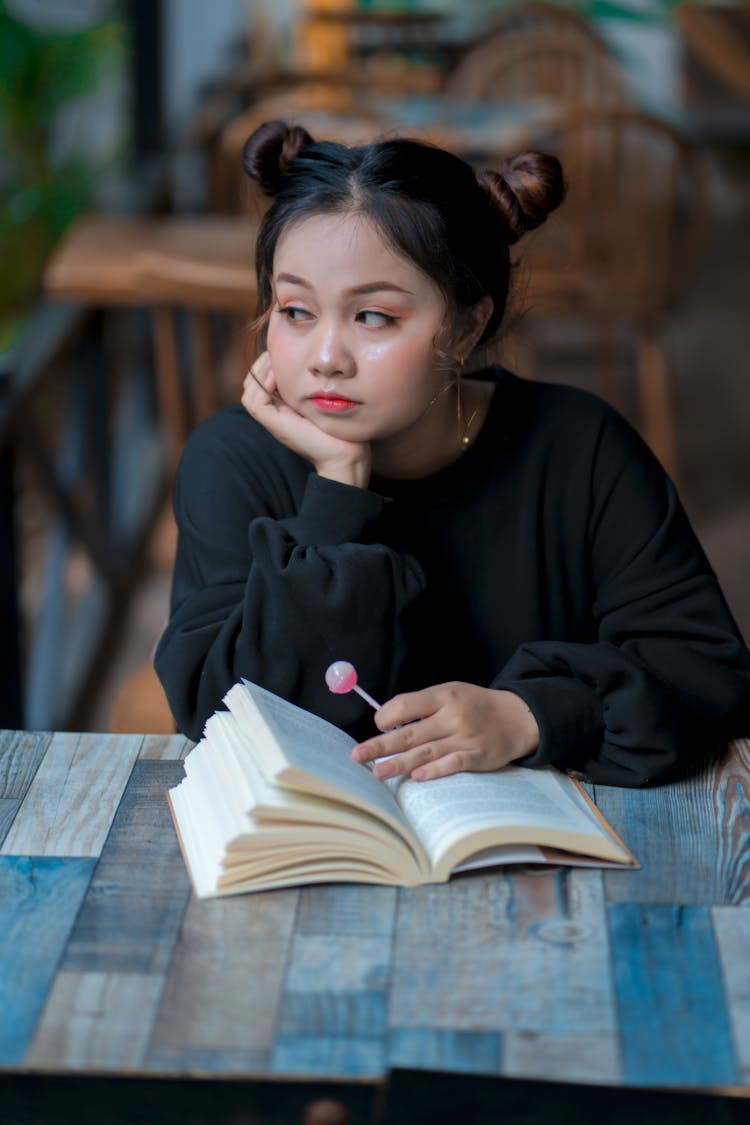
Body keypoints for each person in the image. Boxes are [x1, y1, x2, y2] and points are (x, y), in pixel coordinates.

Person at [154, 119, 750, 787]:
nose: (326, 358)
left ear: (466, 326)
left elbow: (709, 674)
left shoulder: (581, 449)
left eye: (373, 316)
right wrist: (339, 491)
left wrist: (529, 714)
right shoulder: (233, 459)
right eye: (295, 310)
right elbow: (221, 715)